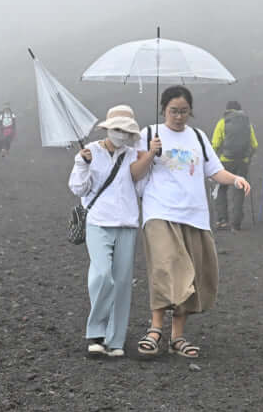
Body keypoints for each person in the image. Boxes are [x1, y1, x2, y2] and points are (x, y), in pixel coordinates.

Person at [132, 86, 250, 358]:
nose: (179, 116)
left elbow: (214, 170)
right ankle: (154, 329)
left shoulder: (198, 136)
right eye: (173, 111)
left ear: (190, 111)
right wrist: (150, 153)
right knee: (167, 266)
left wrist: (235, 179)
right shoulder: (149, 134)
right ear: (164, 110)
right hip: (160, 211)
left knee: (193, 273)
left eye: (184, 111)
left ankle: (178, 337)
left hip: (194, 214)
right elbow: (135, 174)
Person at [68, 105, 141, 357]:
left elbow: (140, 187)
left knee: (122, 282)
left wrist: (150, 155)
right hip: (97, 221)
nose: (121, 134)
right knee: (102, 276)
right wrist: (83, 163)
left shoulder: (134, 154)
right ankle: (96, 332)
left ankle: (116, 339)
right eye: (117, 129)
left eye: (126, 130)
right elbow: (78, 188)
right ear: (108, 128)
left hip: (127, 223)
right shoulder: (91, 152)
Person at [211, 101, 258, 231]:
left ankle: (222, 220)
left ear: (227, 110)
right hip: (242, 162)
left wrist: (214, 159)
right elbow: (254, 145)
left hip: (225, 161)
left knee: (221, 188)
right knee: (239, 191)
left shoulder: (222, 122)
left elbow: (215, 144)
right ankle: (236, 224)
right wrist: (248, 158)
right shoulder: (247, 123)